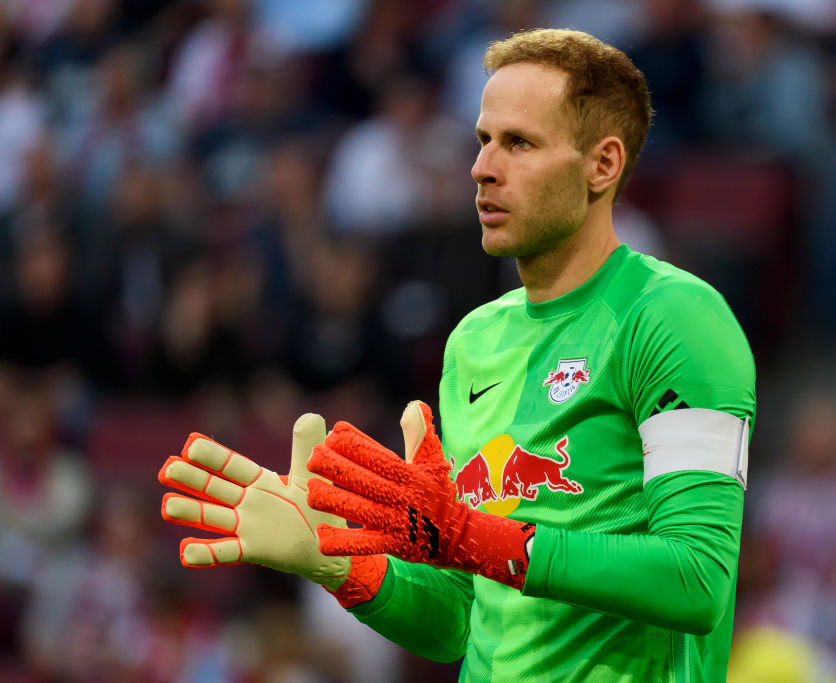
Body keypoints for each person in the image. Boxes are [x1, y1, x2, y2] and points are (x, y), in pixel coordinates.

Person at [159, 28, 755, 682]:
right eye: (483, 140)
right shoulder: (474, 341)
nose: (482, 168)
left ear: (602, 165)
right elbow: (457, 619)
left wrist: (474, 536)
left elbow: (697, 578)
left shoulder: (673, 316)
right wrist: (338, 562)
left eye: (519, 143)